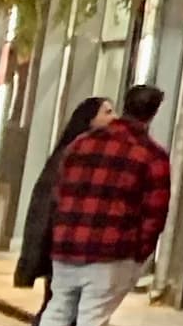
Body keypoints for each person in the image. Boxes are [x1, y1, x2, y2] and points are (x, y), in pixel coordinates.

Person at [16, 88, 162, 326]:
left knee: (56, 313)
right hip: (111, 249)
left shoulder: (81, 144)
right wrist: (140, 253)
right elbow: (154, 212)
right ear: (153, 114)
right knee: (91, 320)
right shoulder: (150, 154)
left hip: (68, 245)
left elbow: (59, 192)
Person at [11, 96, 110, 310]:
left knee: (64, 312)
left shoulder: (101, 155)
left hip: (85, 249)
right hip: (66, 247)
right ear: (90, 119)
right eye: (107, 112)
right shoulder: (70, 154)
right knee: (57, 309)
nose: (115, 118)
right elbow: (43, 209)